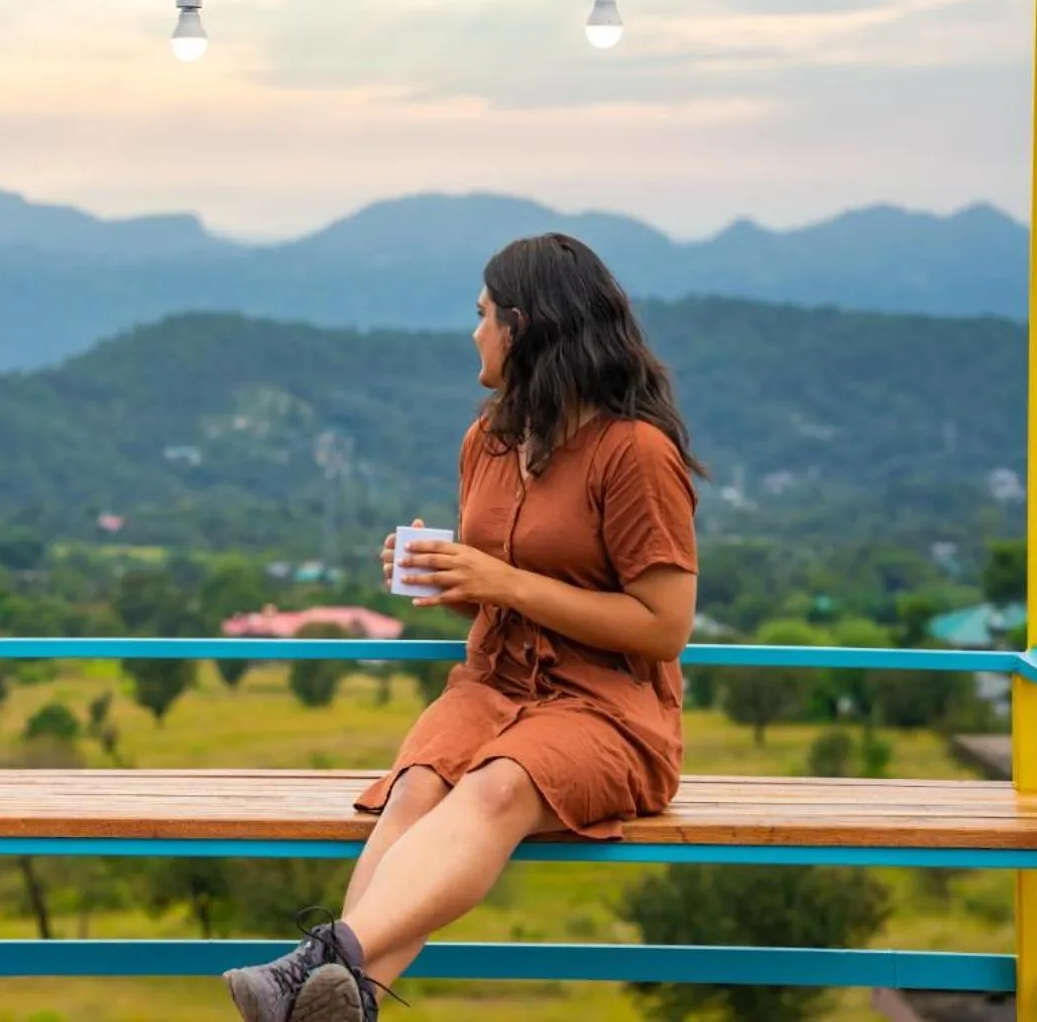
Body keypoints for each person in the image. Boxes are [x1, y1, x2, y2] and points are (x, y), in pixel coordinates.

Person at [224, 232, 705, 1022]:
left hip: (608, 713)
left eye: (482, 315)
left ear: (524, 326)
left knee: (499, 784)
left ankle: (319, 961)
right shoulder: (488, 440)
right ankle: (338, 1000)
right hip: (494, 686)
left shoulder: (635, 453)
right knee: (416, 786)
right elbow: (502, 592)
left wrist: (501, 579)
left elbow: (662, 627)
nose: (473, 332)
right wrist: (448, 576)